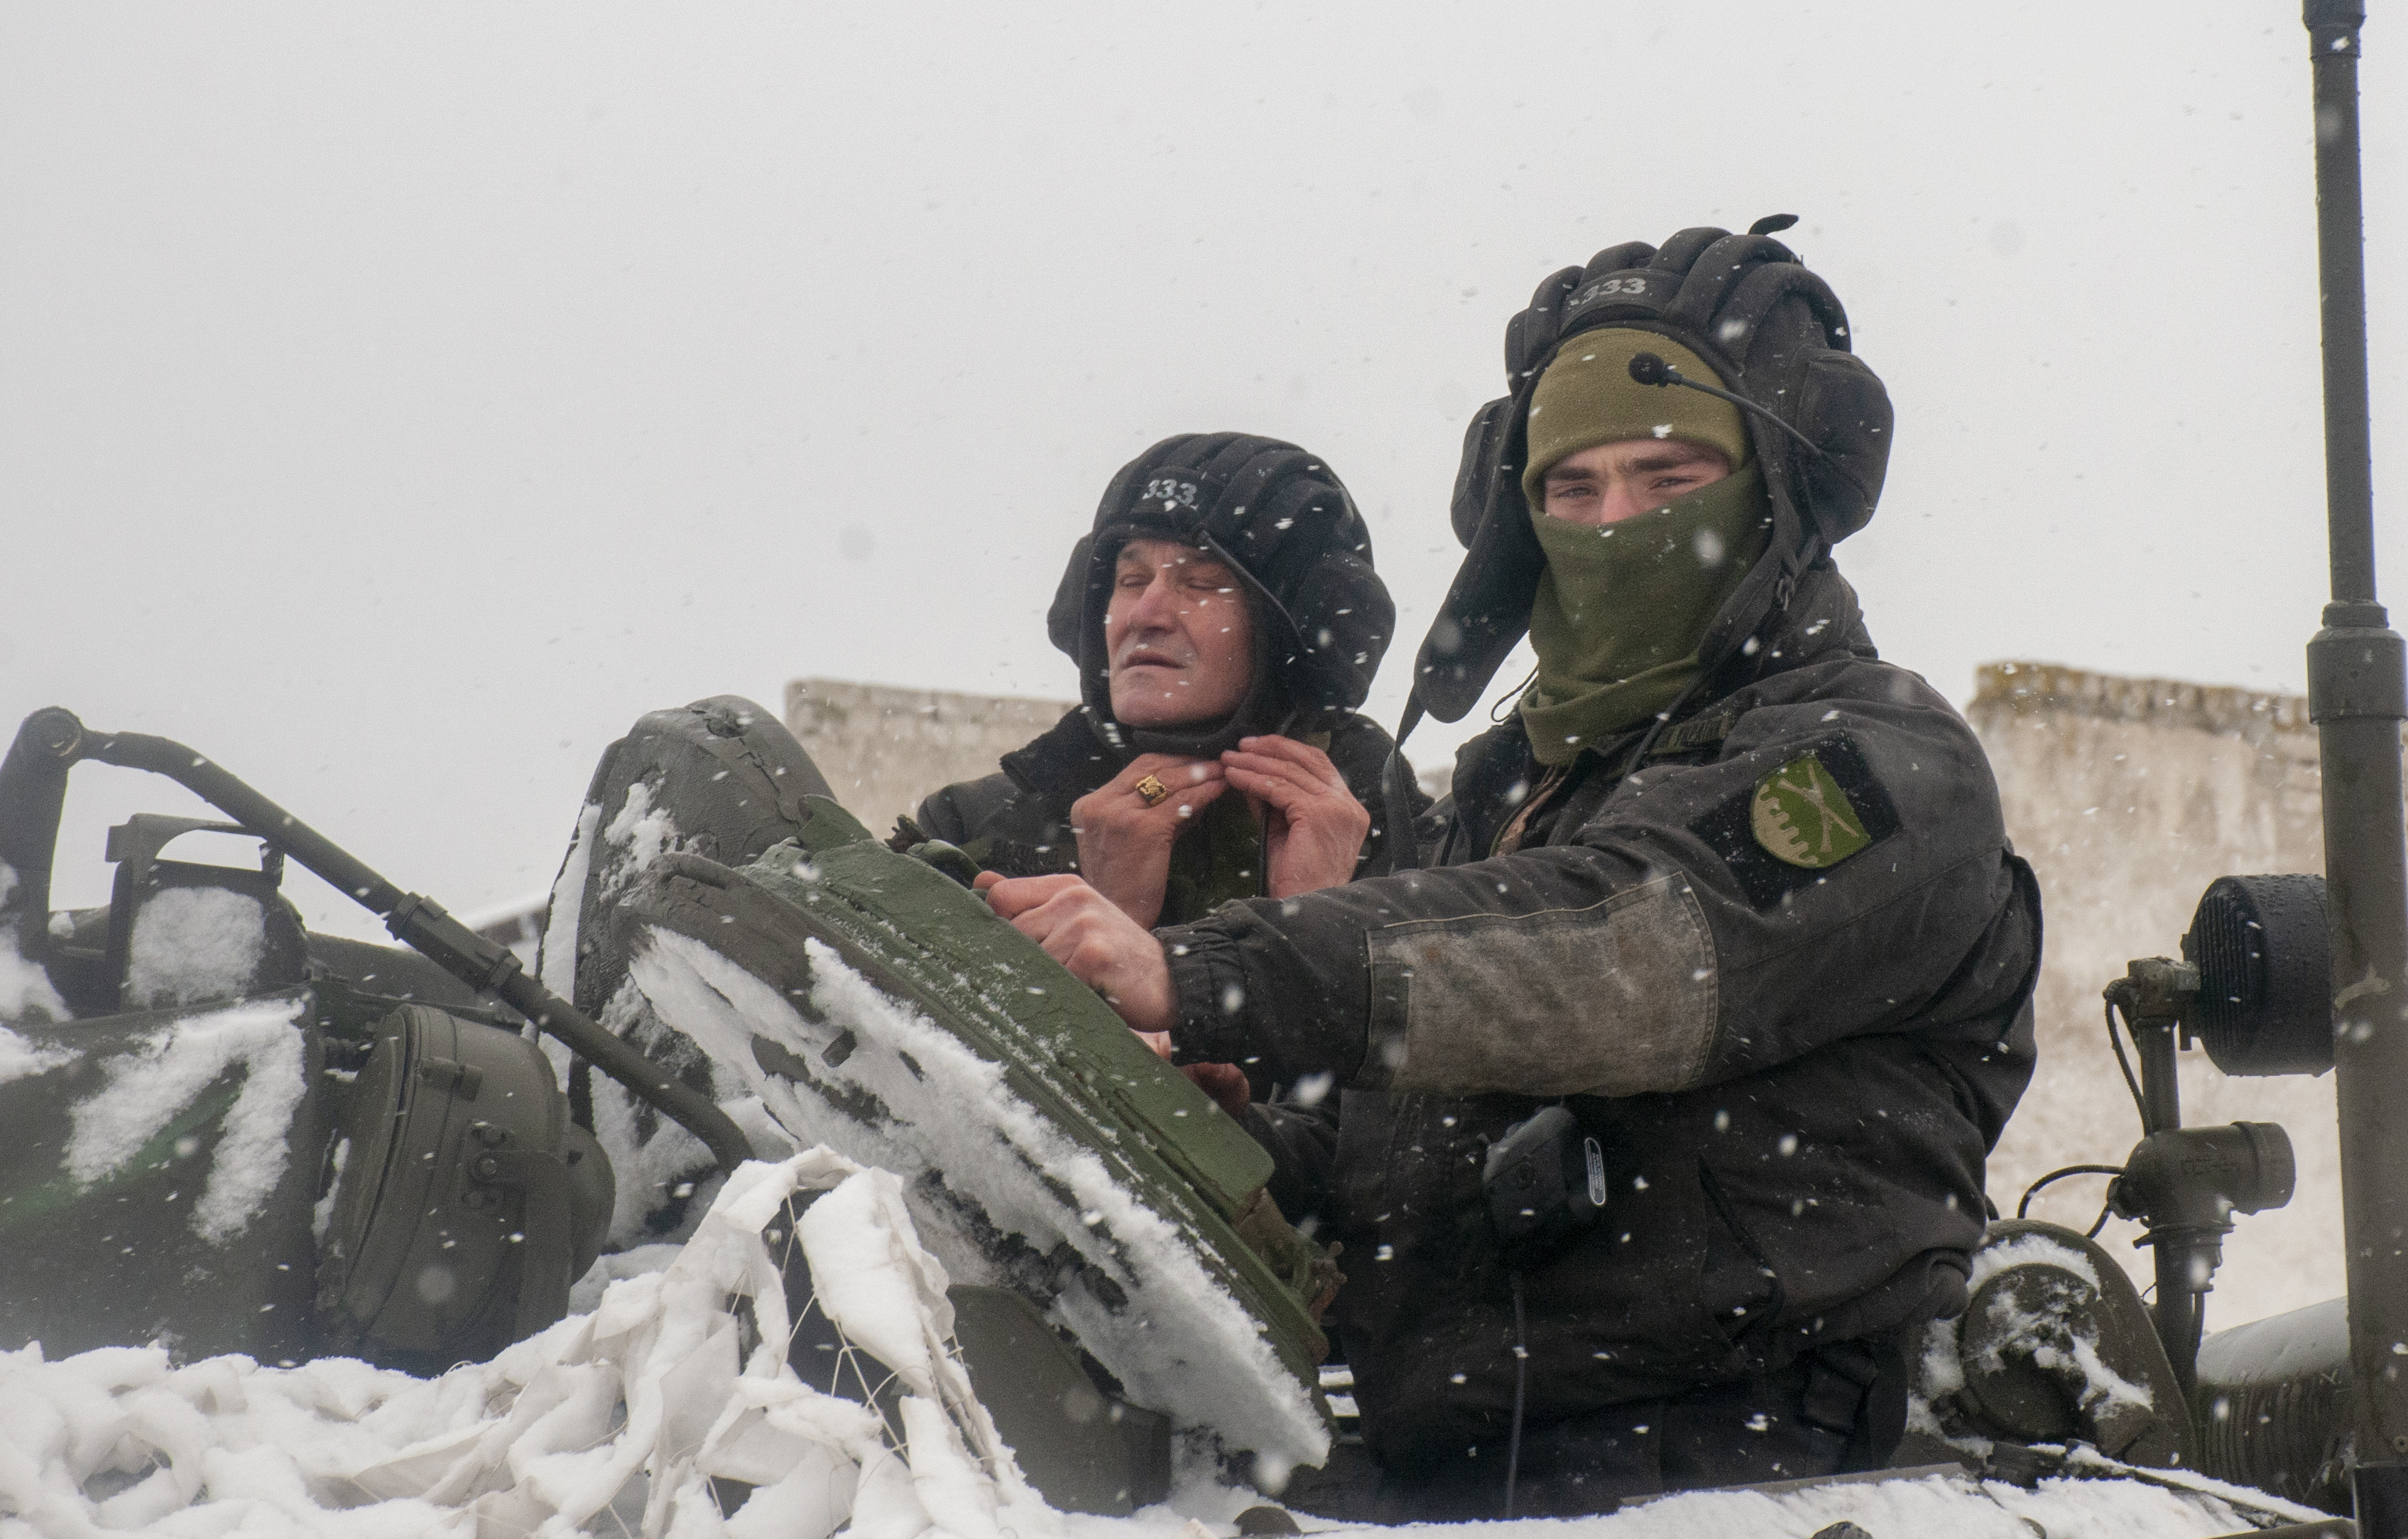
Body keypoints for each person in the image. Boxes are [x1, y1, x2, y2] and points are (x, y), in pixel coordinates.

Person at [976, 222, 2042, 1518]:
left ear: (1777, 490)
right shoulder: (1515, 794)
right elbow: (1402, 1165)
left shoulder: (1876, 758)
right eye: (1571, 492)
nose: (1617, 525)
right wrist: (1195, 1122)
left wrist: (1204, 968)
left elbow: (1626, 956)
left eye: (1667, 475)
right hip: (1465, 1457)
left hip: (1741, 1458)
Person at [903, 432, 1427, 1209]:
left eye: (1203, 582)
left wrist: (1315, 934)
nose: (1145, 613)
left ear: (1289, 630)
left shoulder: (1418, 850)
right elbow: (910, 1096)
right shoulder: (973, 829)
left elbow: (1404, 1186)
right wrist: (1095, 923)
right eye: (1127, 578)